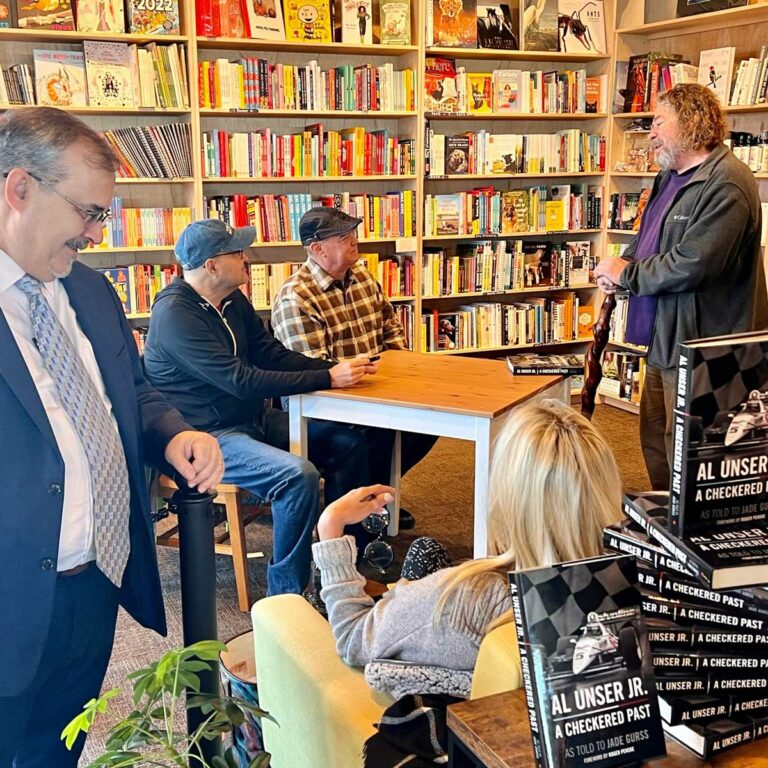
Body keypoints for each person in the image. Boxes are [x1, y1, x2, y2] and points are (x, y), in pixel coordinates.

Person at [0, 107, 224, 767]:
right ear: (19, 190)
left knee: (55, 747)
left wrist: (174, 434)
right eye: (89, 213)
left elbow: (133, 388)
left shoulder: (90, 291)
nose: (96, 234)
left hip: (95, 578)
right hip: (9, 592)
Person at [311, 398, 623, 691]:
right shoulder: (620, 583)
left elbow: (353, 638)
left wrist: (331, 528)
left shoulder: (467, 596)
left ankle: (390, 596)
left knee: (405, 579)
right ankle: (398, 594)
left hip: (423, 662)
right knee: (426, 550)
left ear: (509, 495)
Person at [142, 217, 379, 596]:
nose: (247, 258)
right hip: (205, 435)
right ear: (211, 265)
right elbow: (241, 380)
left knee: (348, 443)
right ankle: (285, 595)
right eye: (237, 252)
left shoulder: (231, 298)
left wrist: (330, 368)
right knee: (296, 476)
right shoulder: (175, 315)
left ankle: (338, 561)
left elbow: (270, 354)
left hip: (247, 419)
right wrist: (327, 379)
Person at [594, 83, 768, 491]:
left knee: (690, 446)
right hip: (665, 335)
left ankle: (684, 534)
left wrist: (629, 275)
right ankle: (664, 523)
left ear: (691, 124)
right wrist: (624, 267)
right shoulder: (668, 175)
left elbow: (693, 264)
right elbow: (650, 237)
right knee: (655, 435)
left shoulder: (727, 184)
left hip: (705, 345)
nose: (650, 132)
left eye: (658, 122)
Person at [271, 207, 437, 529]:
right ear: (317, 248)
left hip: (376, 390)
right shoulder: (296, 297)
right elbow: (313, 372)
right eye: (345, 238)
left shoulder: (363, 277)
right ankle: (353, 518)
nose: (355, 242)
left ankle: (374, 497)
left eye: (353, 235)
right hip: (318, 403)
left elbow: (390, 329)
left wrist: (405, 374)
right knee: (362, 437)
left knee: (427, 423)